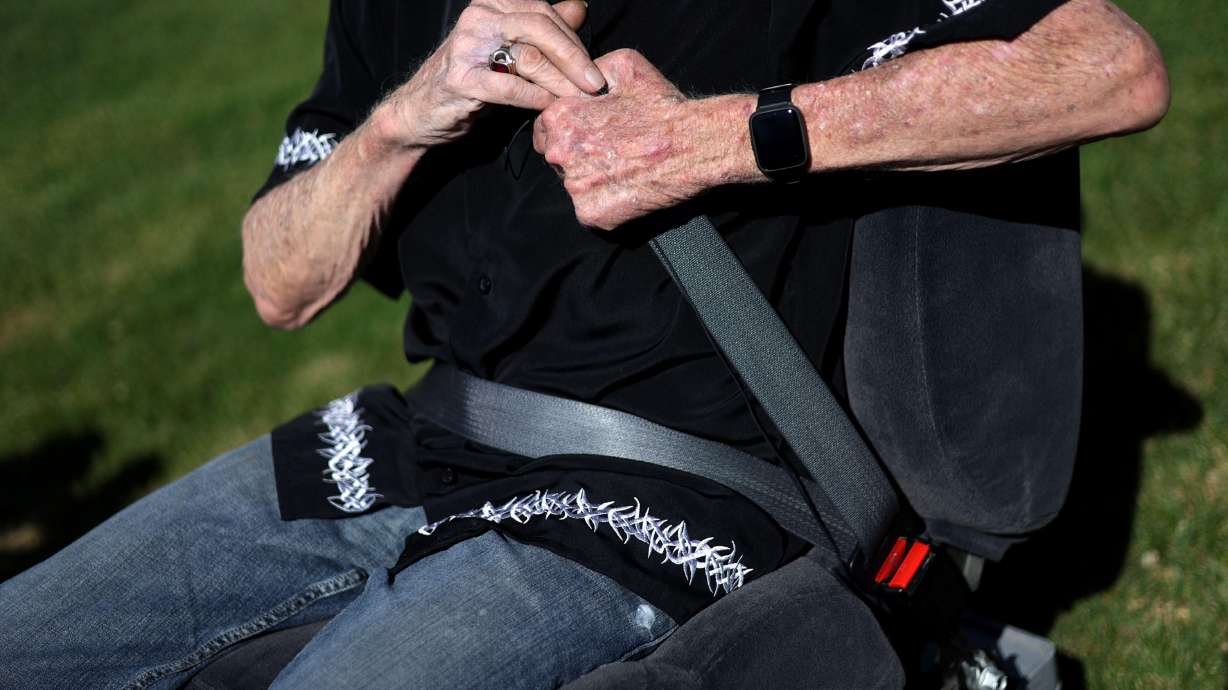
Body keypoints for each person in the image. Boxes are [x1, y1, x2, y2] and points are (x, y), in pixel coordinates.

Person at [0, 0, 1168, 687]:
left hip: (666, 492)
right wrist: (405, 118)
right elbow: (278, 283)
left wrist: (714, 137)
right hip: (418, 446)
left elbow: (1110, 65)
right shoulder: (404, 14)